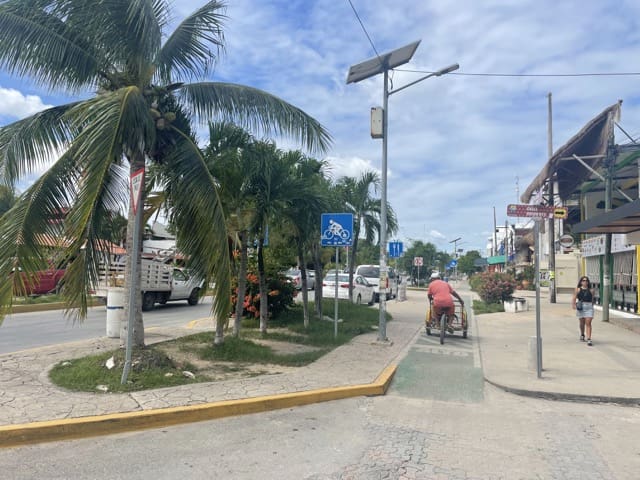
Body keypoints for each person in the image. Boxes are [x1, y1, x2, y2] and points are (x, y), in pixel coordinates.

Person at [572, 275, 595, 346]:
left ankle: (589, 339)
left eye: (586, 280)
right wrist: (574, 305)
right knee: (582, 322)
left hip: (589, 307)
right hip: (581, 307)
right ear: (581, 282)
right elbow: (574, 298)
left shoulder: (591, 290)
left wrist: (592, 306)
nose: (585, 282)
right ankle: (582, 334)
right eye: (583, 280)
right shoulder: (578, 289)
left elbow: (592, 299)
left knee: (588, 322)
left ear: (588, 282)